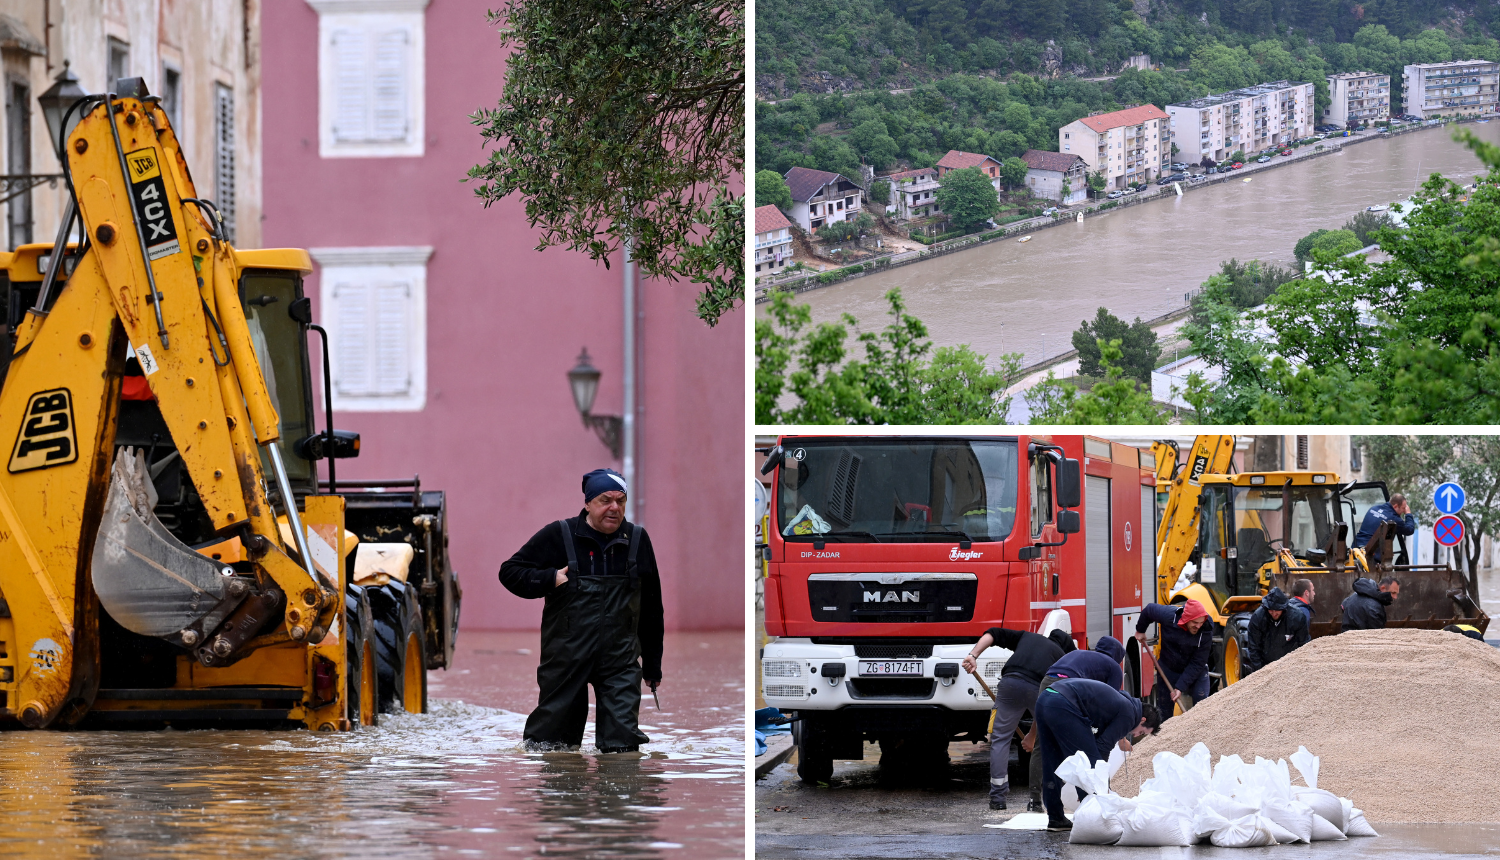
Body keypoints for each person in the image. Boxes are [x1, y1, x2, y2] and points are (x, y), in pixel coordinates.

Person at [499, 468, 665, 752]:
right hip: (566, 660)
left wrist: (652, 665)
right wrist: (549, 578)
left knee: (623, 751)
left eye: (620, 500)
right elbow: (510, 572)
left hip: (620, 662)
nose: (614, 508)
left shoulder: (637, 540)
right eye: (605, 500)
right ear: (588, 503)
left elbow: (652, 606)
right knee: (552, 749)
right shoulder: (560, 535)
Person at [961, 627, 1074, 810]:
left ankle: (997, 798)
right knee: (1044, 743)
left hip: (1010, 684)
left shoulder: (1028, 637)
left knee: (1000, 740)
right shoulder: (1063, 657)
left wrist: (973, 656)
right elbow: (1045, 705)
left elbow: (992, 633)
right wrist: (1032, 735)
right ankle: (1038, 800)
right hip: (1037, 689)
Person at [1036, 677, 1161, 832]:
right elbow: (1102, 748)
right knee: (1089, 762)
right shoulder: (1130, 715)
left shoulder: (1123, 703)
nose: (1136, 736)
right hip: (1064, 703)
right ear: (1142, 719)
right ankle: (1095, 819)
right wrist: (1099, 790)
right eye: (1141, 732)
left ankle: (1055, 817)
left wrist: (1088, 784)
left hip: (1046, 697)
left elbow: (1096, 739)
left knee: (1052, 760)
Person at [1021, 636, 1127, 811]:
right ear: (1117, 656)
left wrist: (1032, 734)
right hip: (1068, 688)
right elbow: (1112, 704)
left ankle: (1034, 801)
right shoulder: (1113, 667)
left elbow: (1044, 706)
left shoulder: (1079, 655)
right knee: (1081, 747)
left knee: (1042, 746)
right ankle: (1088, 800)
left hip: (1047, 682)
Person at [1134, 600, 1213, 717]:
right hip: (1168, 668)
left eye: (1201, 622)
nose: (1198, 626)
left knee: (1201, 703)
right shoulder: (1169, 616)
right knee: (1164, 712)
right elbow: (1149, 610)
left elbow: (1198, 662)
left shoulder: (1206, 628)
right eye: (1195, 622)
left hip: (1196, 669)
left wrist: (1180, 687)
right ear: (1186, 619)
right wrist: (1141, 630)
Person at [1244, 587, 1310, 673]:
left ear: (1283, 608)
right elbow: (1254, 648)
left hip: (1290, 665)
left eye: (1277, 610)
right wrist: (1260, 672)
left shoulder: (1297, 617)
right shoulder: (1258, 618)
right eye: (1271, 610)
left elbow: (1304, 644)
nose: (1274, 613)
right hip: (1265, 664)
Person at [1352, 494, 1416, 563]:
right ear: (1395, 506)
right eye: (1403, 508)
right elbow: (1409, 529)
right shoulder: (1394, 518)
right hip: (1371, 557)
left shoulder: (1373, 508)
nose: (1404, 511)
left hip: (1355, 550)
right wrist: (1408, 514)